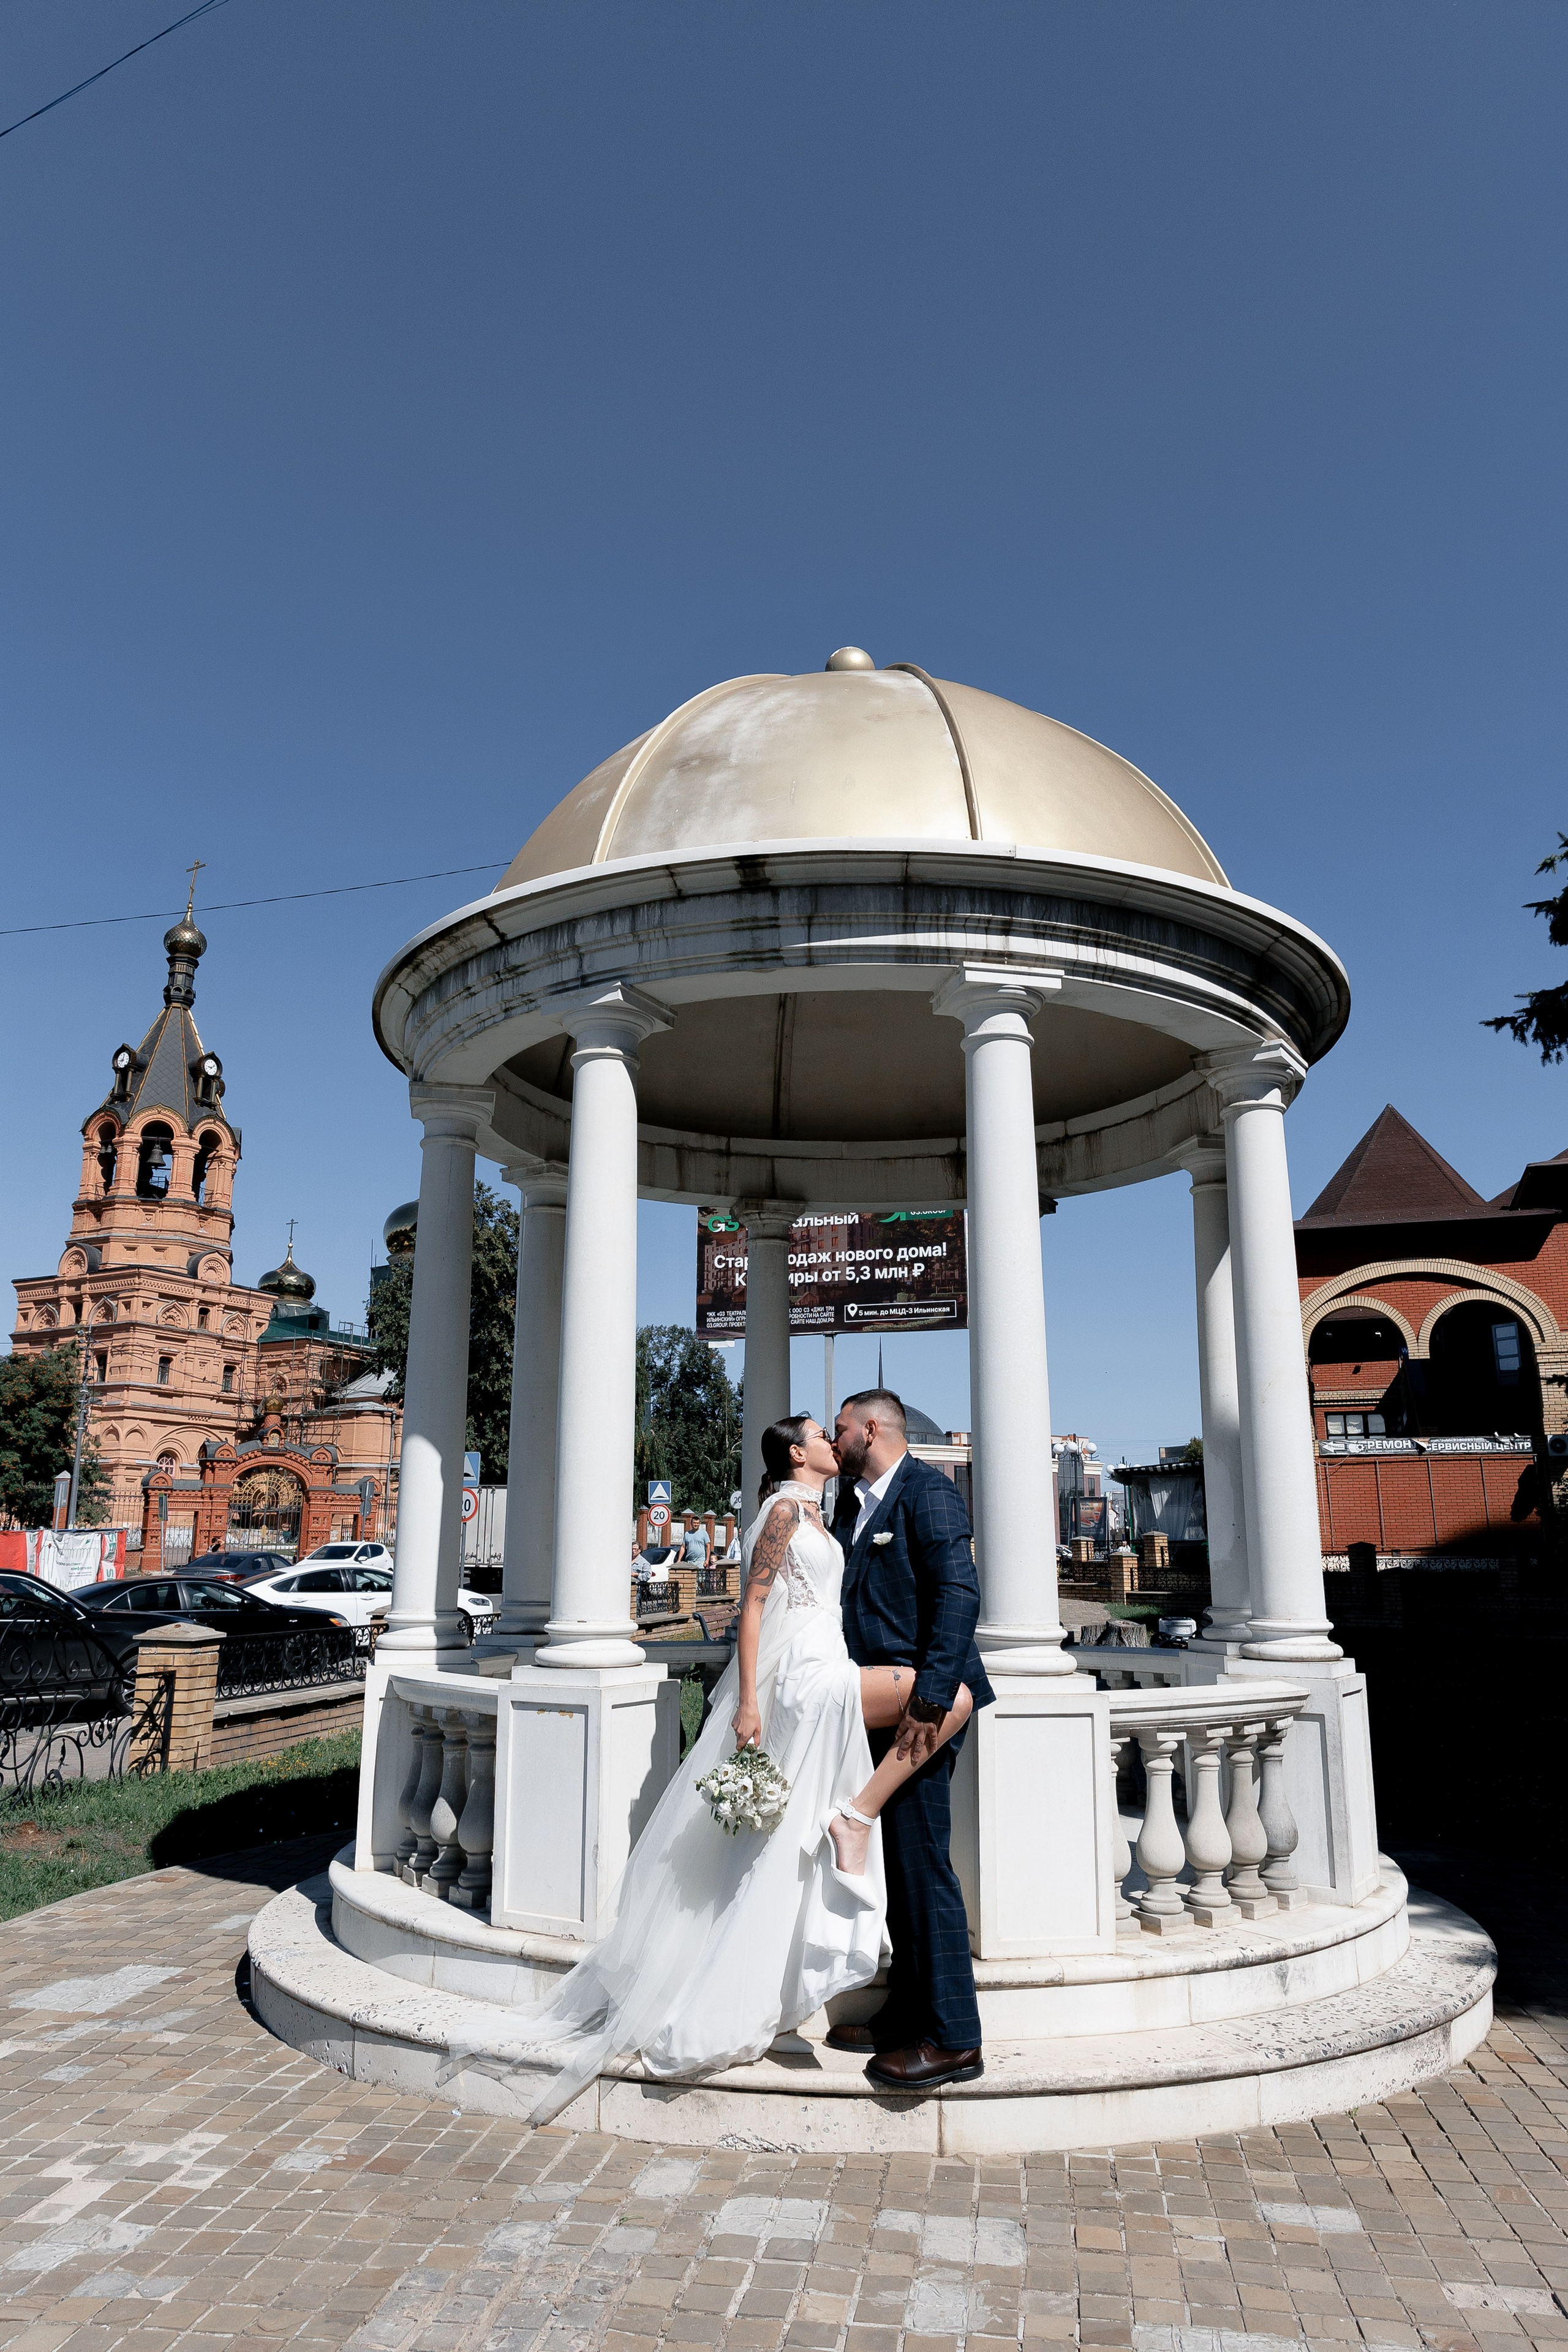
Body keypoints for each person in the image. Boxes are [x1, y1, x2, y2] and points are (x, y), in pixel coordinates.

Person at [509, 1413, 973, 2123]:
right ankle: (856, 1815)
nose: (832, 1440)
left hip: (827, 1670)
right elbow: (750, 1610)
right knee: (957, 1697)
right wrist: (747, 1702)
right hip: (803, 1683)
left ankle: (852, 1834)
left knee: (789, 1848)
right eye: (823, 1433)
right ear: (798, 1452)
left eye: (837, 1430)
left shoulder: (826, 1511)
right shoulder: (786, 1511)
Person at [827, 1386, 993, 2089]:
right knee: (897, 1867)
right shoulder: (854, 1504)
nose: (834, 1442)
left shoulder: (926, 1491)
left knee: (924, 1865)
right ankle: (907, 2009)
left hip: (923, 1711)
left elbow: (958, 1592)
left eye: (839, 1430)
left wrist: (930, 1695)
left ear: (871, 1429)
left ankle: (956, 2039)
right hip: (874, 1709)